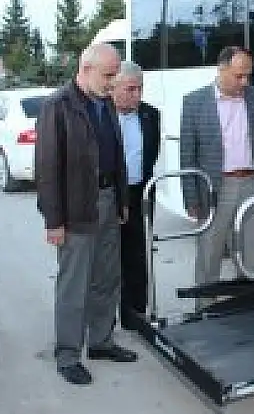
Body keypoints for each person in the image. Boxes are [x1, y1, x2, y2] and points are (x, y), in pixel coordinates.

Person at [35, 43, 137, 386]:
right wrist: (54, 221)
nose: (113, 83)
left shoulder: (105, 103)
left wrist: (122, 199)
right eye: (108, 75)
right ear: (86, 68)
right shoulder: (57, 106)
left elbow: (117, 155)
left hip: (108, 201)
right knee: (74, 286)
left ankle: (101, 342)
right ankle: (68, 355)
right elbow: (47, 169)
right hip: (76, 209)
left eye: (115, 75)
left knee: (107, 278)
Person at [180, 46, 254, 310]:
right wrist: (191, 198)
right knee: (210, 250)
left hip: (251, 184)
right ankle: (204, 306)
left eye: (248, 75)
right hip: (215, 187)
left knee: (252, 250)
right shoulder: (194, 102)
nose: (245, 81)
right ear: (221, 69)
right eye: (239, 75)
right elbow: (187, 154)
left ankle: (251, 303)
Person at [111, 61, 161, 330]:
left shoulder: (151, 115)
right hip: (108, 195)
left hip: (138, 192)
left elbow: (151, 155)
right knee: (108, 259)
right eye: (130, 89)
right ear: (113, 87)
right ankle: (104, 320)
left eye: (140, 89)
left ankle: (136, 313)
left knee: (137, 254)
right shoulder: (100, 115)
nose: (137, 95)